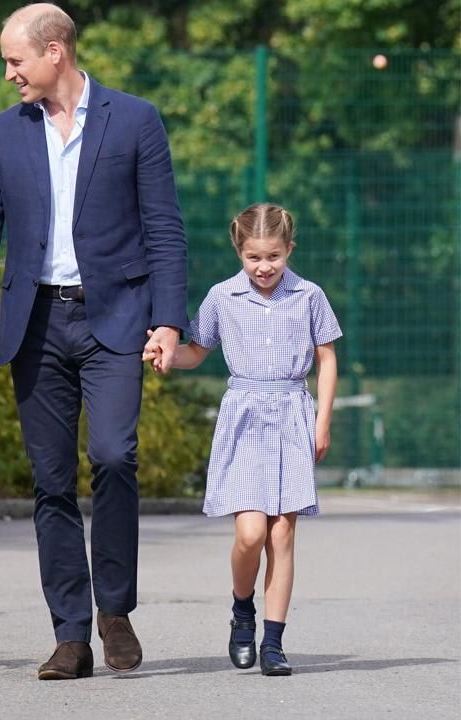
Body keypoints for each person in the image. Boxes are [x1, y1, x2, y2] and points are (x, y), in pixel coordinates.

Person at [0, 4, 189, 680]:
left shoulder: (135, 120)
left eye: (15, 61)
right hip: (35, 325)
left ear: (55, 52)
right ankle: (71, 634)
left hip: (115, 319)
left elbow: (165, 229)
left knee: (115, 457)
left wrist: (168, 321)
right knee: (52, 482)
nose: (7, 74)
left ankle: (114, 609)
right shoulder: (2, 135)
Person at [143, 203, 340, 676]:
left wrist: (323, 421)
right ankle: (242, 609)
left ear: (289, 249)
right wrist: (165, 353)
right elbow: (197, 351)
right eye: (254, 257)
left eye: (273, 255)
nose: (264, 266)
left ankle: (273, 642)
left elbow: (327, 359)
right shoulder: (222, 296)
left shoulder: (309, 295)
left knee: (283, 534)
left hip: (293, 414)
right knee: (250, 534)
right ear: (239, 252)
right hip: (245, 416)